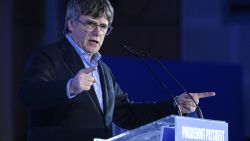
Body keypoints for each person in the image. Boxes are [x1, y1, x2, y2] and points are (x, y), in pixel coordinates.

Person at [20, 0, 215, 141]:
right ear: (71, 23)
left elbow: (126, 114)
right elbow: (29, 94)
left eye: (103, 26)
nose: (98, 32)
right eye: (90, 23)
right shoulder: (48, 56)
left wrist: (174, 106)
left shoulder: (103, 70)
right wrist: (70, 86)